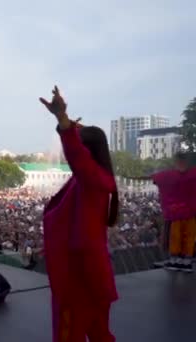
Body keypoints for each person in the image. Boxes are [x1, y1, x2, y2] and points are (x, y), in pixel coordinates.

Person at [40, 86, 119, 342]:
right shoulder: (98, 178)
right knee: (100, 334)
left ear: (86, 151)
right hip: (93, 271)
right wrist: (69, 123)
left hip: (78, 274)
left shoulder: (89, 178)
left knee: (69, 334)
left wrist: (63, 121)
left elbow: (76, 154)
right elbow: (81, 149)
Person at [129, 153, 195, 271]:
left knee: (175, 236)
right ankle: (186, 261)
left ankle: (176, 260)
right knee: (187, 236)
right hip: (189, 213)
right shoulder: (192, 173)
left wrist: (131, 177)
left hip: (176, 213)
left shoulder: (168, 175)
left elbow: (149, 178)